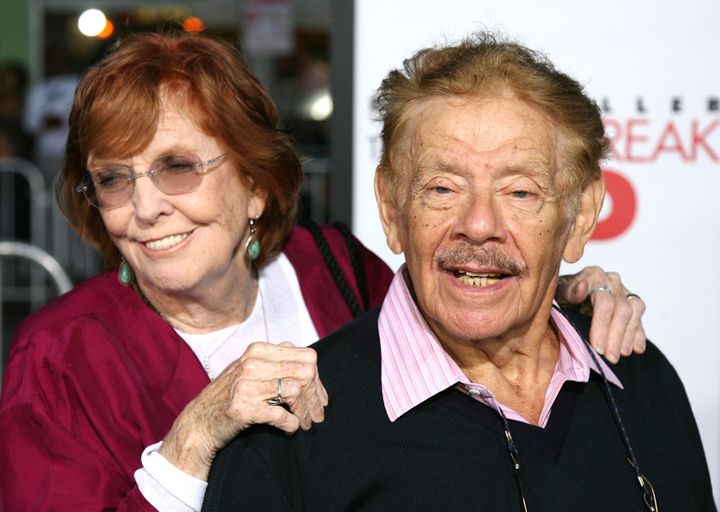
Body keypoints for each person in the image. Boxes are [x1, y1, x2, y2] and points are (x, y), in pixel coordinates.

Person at [0, 31, 646, 511]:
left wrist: (558, 295)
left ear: (254, 182)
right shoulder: (57, 357)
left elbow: (455, 318)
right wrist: (192, 441)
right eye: (113, 179)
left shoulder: (329, 268)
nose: (143, 209)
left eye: (177, 167)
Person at [203, 33, 715, 511]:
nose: (478, 225)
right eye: (443, 188)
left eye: (520, 192)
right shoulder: (294, 429)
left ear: (579, 216)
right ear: (391, 207)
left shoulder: (641, 381)